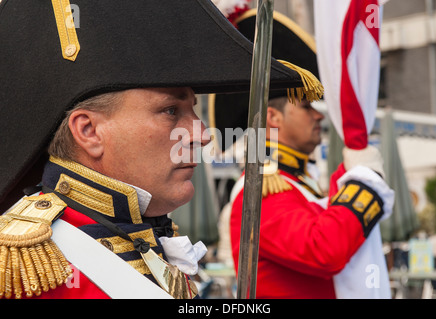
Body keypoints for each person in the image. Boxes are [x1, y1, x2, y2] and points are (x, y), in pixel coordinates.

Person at [0, 0, 304, 299]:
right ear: (89, 132)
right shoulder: (18, 261)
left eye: (192, 111)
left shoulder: (147, 231)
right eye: (171, 111)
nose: (202, 134)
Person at [211, 9, 394, 299]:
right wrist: (364, 184)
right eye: (306, 107)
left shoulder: (294, 183)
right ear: (273, 118)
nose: (318, 117)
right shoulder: (260, 190)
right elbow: (325, 249)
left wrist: (353, 163)